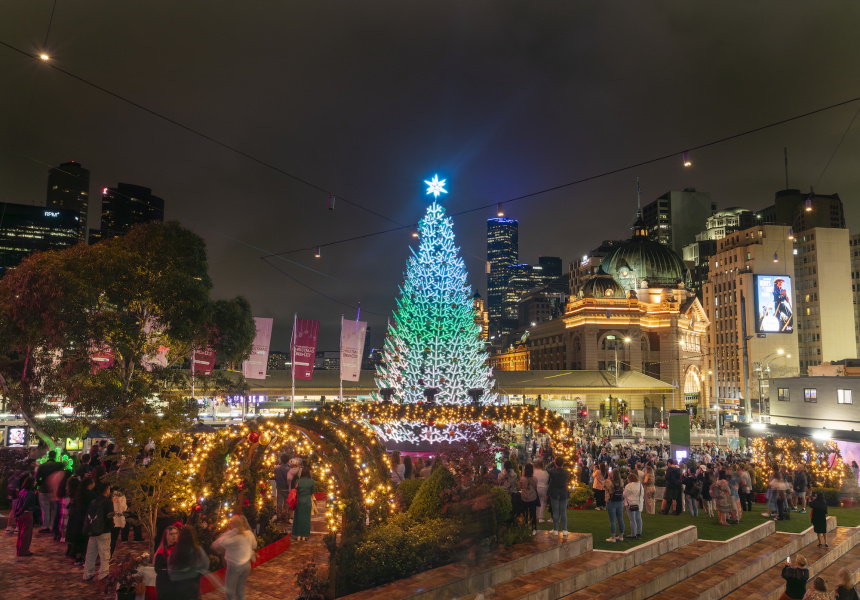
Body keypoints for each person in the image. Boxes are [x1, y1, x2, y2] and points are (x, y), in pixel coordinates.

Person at [213, 514, 258, 600]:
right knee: (240, 590)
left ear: (234, 525)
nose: (229, 524)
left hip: (235, 567)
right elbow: (254, 545)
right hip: (246, 565)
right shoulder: (249, 533)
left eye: (231, 523)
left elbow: (218, 544)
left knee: (230, 592)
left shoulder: (235, 538)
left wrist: (231, 532)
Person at [168, 525, 210, 600]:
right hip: (192, 584)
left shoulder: (175, 551)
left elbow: (170, 567)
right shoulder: (197, 550)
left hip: (178, 585)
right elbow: (205, 564)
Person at [83, 482, 113, 581]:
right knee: (104, 554)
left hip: (93, 531)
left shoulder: (93, 501)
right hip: (104, 531)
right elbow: (110, 518)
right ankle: (103, 574)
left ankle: (88, 574)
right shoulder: (108, 502)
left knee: (91, 554)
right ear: (106, 490)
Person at [35, 449, 64, 532]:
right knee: (54, 508)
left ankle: (46, 526)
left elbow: (37, 478)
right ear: (55, 456)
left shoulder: (42, 465)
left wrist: (39, 485)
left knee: (45, 509)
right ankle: (54, 525)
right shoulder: (59, 465)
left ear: (48, 456)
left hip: (43, 489)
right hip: (55, 489)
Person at [153, 525, 179, 600]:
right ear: (166, 536)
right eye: (171, 534)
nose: (174, 536)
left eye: (176, 533)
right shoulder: (161, 551)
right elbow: (157, 569)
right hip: (164, 583)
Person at [14, 476, 38, 556]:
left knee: (21, 533)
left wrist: (17, 513)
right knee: (26, 534)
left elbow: (19, 503)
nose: (35, 483)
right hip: (27, 514)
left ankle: (20, 549)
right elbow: (26, 504)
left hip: (21, 515)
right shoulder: (29, 493)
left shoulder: (22, 491)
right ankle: (24, 550)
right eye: (34, 482)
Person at [547, 456, 570, 536]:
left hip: (554, 493)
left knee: (555, 512)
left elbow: (548, 468)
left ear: (555, 463)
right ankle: (564, 529)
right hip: (563, 493)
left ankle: (556, 529)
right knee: (563, 512)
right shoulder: (567, 472)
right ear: (563, 463)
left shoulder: (552, 471)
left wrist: (553, 462)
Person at [292, 466, 315, 541]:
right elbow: (312, 492)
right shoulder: (311, 481)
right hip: (307, 500)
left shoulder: (298, 481)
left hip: (299, 500)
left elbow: (295, 490)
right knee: (306, 518)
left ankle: (298, 535)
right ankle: (304, 535)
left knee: (298, 518)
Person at [604, 469, 625, 542]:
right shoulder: (621, 481)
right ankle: (621, 536)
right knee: (620, 519)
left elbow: (605, 486)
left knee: (612, 520)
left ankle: (613, 537)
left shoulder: (609, 481)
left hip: (611, 501)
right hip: (620, 501)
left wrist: (608, 476)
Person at [518, 464, 539, 534]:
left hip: (524, 497)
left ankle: (525, 527)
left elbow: (519, 487)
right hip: (533, 497)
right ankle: (534, 528)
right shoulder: (535, 478)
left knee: (524, 513)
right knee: (533, 513)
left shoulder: (522, 479)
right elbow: (536, 486)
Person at [623, 471, 644, 539]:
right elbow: (642, 494)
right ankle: (639, 532)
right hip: (639, 503)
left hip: (631, 503)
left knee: (632, 519)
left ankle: (633, 534)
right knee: (638, 518)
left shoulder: (629, 486)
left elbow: (625, 495)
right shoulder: (640, 485)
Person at [110, 487, 127, 555]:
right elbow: (124, 508)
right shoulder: (122, 496)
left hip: (110, 520)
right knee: (113, 540)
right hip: (118, 520)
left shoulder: (110, 495)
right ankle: (109, 555)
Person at [534, 459, 550, 523]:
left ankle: (535, 515)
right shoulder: (545, 473)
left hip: (536, 487)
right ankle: (540, 517)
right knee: (542, 502)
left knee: (535, 502)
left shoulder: (535, 472)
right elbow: (547, 480)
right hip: (543, 488)